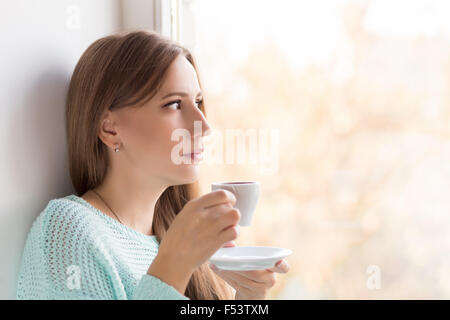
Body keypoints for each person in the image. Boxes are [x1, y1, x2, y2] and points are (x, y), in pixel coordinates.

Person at [16, 30, 289, 300]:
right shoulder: (68, 230)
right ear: (110, 129)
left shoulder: (177, 239)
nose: (203, 126)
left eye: (197, 102)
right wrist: (174, 264)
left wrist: (247, 298)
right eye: (173, 105)